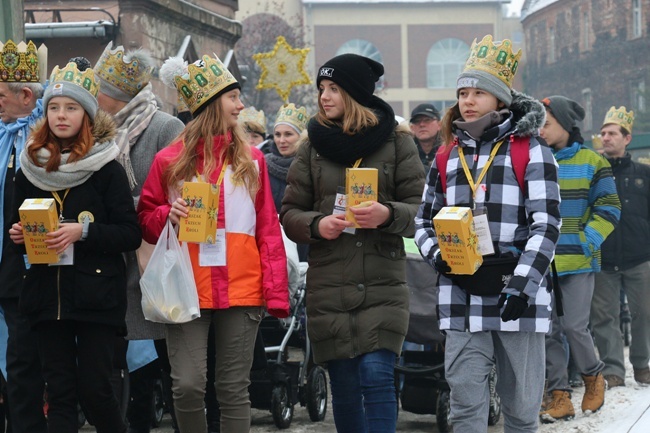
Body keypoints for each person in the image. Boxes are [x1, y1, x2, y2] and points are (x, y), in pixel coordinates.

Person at [414, 35, 561, 433]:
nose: (468, 100)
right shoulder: (446, 154)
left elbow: (547, 223)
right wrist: (438, 258)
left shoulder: (529, 149)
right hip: (461, 292)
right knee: (465, 408)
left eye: (479, 91)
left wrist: (522, 285)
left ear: (499, 99)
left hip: (516, 295)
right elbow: (422, 220)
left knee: (520, 411)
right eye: (463, 92)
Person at [138, 54, 289, 433]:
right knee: (187, 384)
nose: (241, 105)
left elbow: (268, 229)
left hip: (243, 288)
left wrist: (276, 293)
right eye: (233, 97)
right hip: (185, 287)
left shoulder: (252, 161)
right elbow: (144, 220)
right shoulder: (168, 160)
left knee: (234, 388)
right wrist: (165, 215)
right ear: (209, 104)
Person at [281, 53, 425, 432]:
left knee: (377, 375)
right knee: (344, 384)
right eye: (321, 89)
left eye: (333, 88)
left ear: (355, 93)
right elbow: (290, 213)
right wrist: (316, 224)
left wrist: (388, 214)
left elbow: (420, 209)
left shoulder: (397, 142)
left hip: (383, 282)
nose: (324, 97)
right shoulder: (311, 146)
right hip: (330, 285)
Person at [8, 60, 141, 433]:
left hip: (97, 296)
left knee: (95, 390)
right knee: (60, 394)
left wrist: (81, 232)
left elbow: (130, 233)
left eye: (71, 108)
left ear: (86, 114)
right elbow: (15, 231)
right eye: (53, 107)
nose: (61, 116)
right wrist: (18, 235)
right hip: (47, 297)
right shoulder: (29, 168)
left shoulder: (107, 167)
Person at [93, 42, 185, 433]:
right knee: (125, 366)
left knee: (168, 365)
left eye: (99, 88)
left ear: (115, 94)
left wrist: (121, 207)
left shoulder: (166, 127)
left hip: (156, 260)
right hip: (116, 262)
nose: (94, 95)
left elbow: (178, 191)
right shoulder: (99, 131)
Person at [537, 96, 620, 422]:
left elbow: (610, 208)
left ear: (566, 124)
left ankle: (593, 375)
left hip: (578, 261)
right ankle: (560, 396)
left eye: (547, 123)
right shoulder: (536, 160)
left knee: (574, 326)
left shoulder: (593, 161)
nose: (541, 130)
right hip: (541, 261)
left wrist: (589, 239)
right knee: (547, 331)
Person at [0, 39, 47, 433]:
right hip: (3, 268)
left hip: (27, 273)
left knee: (23, 366)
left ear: (25, 94)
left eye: (0, 95)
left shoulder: (46, 141)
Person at [591, 106, 650, 387]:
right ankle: (613, 370)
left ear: (627, 138)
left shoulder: (644, 173)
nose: (606, 138)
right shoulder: (594, 171)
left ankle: (642, 365)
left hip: (640, 256)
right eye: (603, 133)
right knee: (604, 316)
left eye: (612, 133)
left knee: (644, 313)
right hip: (603, 256)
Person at [266, 103, 309, 261]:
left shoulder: (311, 166)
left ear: (301, 137)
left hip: (304, 247)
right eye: (277, 134)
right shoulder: (263, 166)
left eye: (288, 134)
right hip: (273, 245)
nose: (281, 140)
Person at [409, 103, 442, 173]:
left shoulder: (450, 149)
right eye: (417, 121)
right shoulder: (407, 152)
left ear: (439, 125)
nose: (422, 124)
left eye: (427, 120)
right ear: (412, 128)